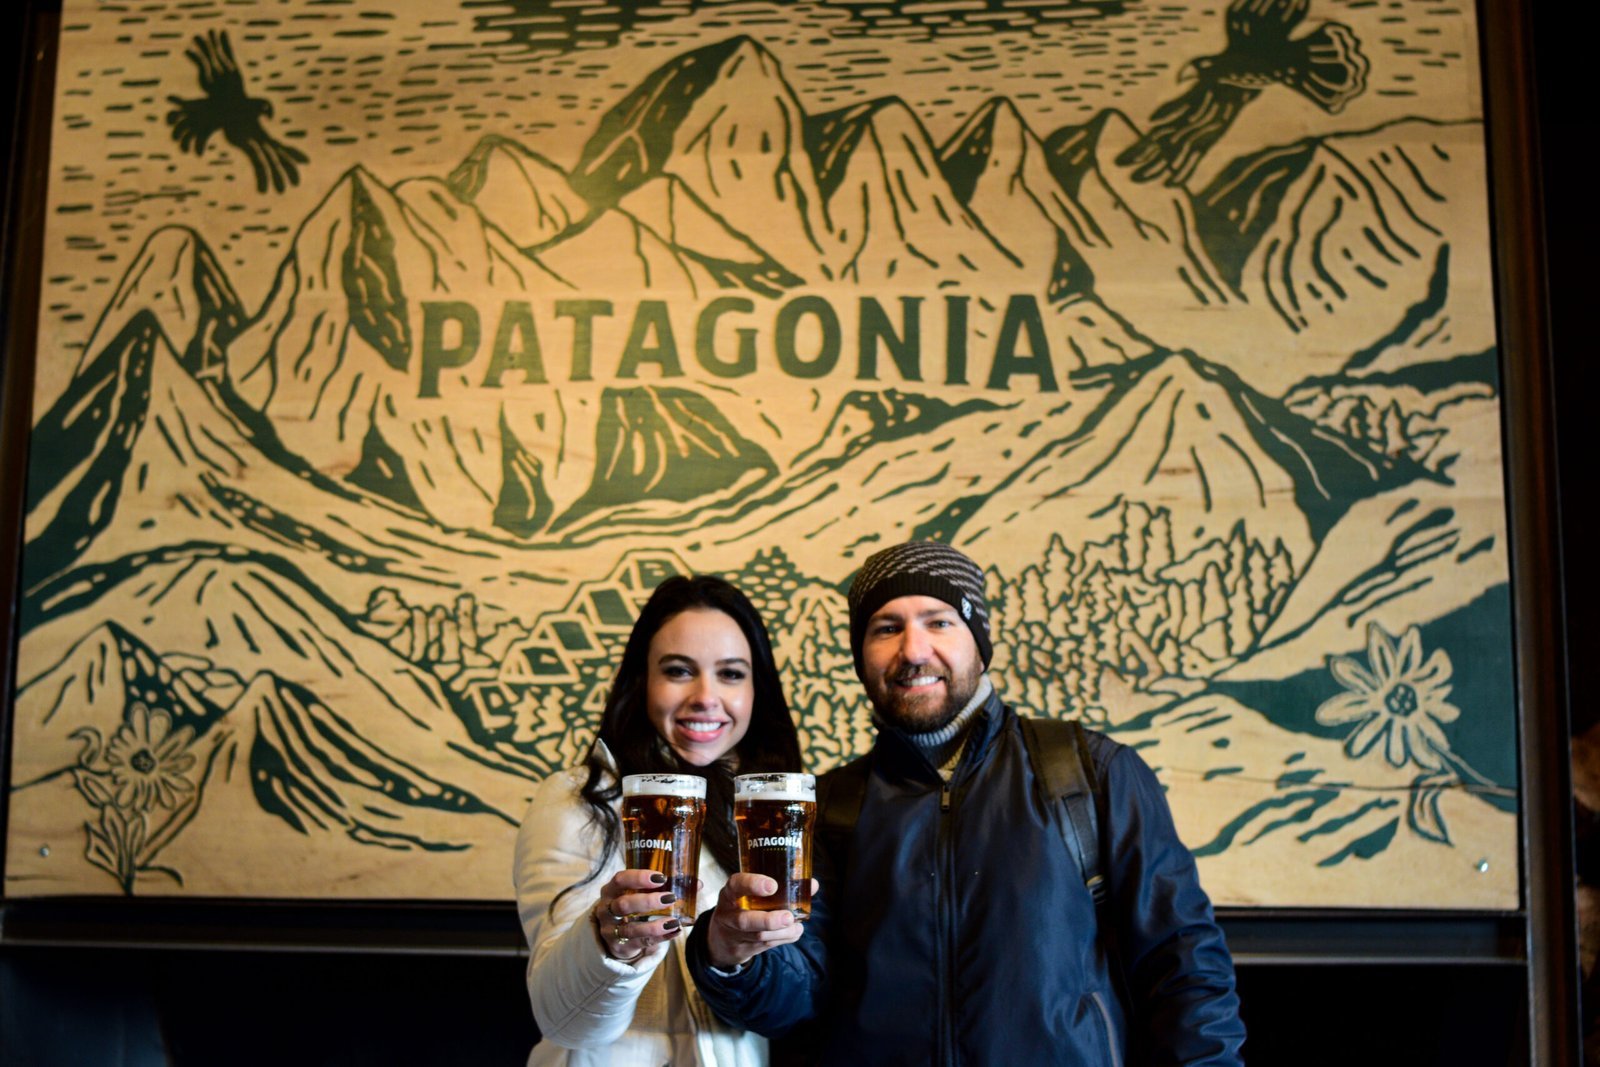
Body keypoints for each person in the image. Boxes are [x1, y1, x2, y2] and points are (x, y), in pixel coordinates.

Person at [686, 541, 1247, 1065]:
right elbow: (796, 1000)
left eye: (939, 622)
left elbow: (1183, 965)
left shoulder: (1089, 772)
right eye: (887, 628)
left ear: (980, 642)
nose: (913, 650)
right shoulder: (830, 806)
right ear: (861, 655)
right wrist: (730, 957)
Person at [514, 574, 804, 1067]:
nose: (706, 696)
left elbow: (792, 1006)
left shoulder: (761, 813)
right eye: (678, 670)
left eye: (731, 674)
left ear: (758, 690)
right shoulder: (577, 801)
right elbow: (564, 1021)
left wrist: (730, 956)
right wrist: (610, 944)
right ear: (641, 682)